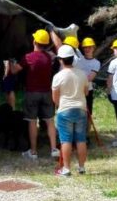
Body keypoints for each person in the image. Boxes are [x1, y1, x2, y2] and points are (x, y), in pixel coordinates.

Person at [11, 29, 59, 160]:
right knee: (50, 121)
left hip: (32, 93)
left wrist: (11, 62)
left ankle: (33, 152)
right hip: (47, 93)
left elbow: (15, 70)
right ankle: (54, 149)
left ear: (34, 41)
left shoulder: (28, 57)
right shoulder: (49, 57)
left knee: (32, 122)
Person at [52, 45, 89, 177]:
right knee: (81, 139)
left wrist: (59, 105)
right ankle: (82, 167)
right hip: (81, 109)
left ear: (60, 60)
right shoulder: (82, 74)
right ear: (73, 58)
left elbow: (55, 97)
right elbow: (86, 92)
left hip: (65, 109)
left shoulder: (58, 76)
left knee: (66, 140)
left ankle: (66, 169)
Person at [77, 38, 100, 115]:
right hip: (77, 89)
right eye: (85, 47)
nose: (87, 49)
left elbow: (90, 78)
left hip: (88, 90)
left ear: (94, 48)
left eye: (89, 47)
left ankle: (88, 127)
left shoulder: (96, 63)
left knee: (88, 113)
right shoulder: (79, 58)